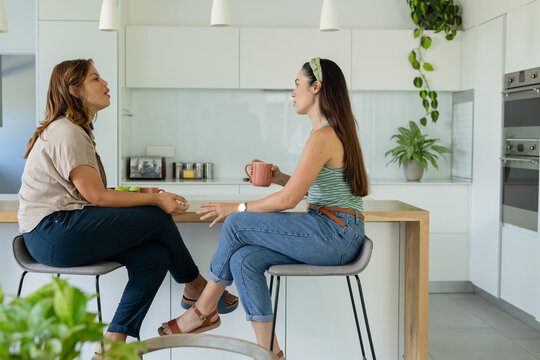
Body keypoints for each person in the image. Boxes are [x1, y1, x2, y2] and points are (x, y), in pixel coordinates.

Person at [17, 59, 238, 359]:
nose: (105, 83)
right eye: (95, 78)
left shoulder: (71, 130)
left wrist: (141, 196)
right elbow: (97, 196)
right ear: (74, 89)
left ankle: (112, 344)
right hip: (53, 233)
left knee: (154, 256)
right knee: (156, 216)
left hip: (58, 234)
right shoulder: (68, 132)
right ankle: (196, 288)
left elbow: (94, 195)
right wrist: (155, 200)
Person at [158, 57, 369, 359]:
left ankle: (202, 310)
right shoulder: (328, 133)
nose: (293, 92)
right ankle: (270, 353)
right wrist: (281, 178)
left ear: (316, 87)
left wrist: (237, 207)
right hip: (333, 230)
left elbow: (289, 201)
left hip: (335, 234)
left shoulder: (323, 136)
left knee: (236, 223)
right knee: (244, 259)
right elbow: (313, 191)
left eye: (297, 84)